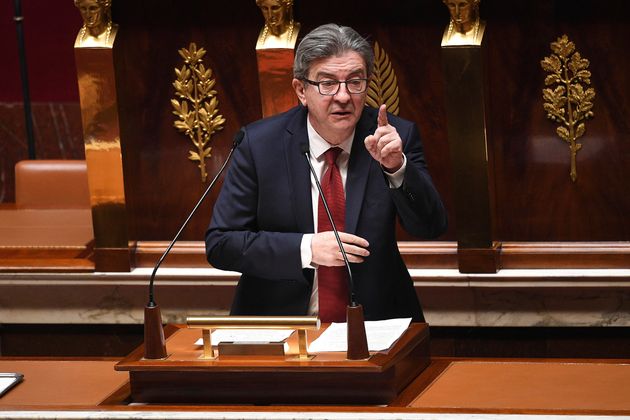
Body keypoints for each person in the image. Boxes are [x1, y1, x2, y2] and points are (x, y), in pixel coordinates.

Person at [206, 23, 447, 322]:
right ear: (301, 90)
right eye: (328, 83)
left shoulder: (393, 137)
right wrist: (305, 248)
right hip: (282, 327)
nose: (343, 96)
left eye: (355, 82)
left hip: (376, 324)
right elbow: (221, 244)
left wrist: (397, 168)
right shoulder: (259, 145)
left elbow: (431, 226)